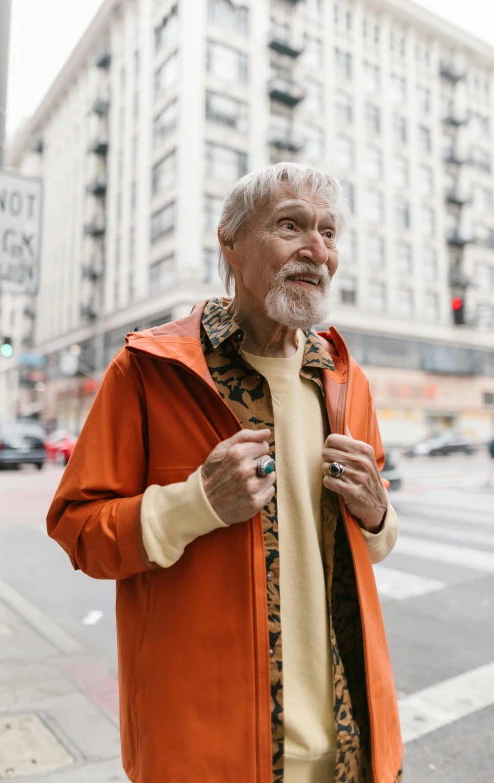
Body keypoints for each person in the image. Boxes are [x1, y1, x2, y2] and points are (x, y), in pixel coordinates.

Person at [47, 162, 403, 783]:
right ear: (230, 243)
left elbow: (374, 541)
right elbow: (79, 532)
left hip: (349, 748)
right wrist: (196, 502)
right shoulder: (150, 371)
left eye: (329, 232)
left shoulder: (346, 379)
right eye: (290, 225)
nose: (316, 249)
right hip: (206, 752)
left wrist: (378, 512)